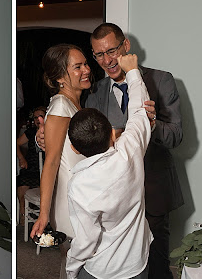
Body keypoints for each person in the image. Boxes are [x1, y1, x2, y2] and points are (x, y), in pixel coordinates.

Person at [37, 23, 182, 278]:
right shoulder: (94, 93)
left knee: (157, 267)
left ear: (125, 46)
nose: (106, 60)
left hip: (154, 193)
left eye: (112, 51)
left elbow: (177, 136)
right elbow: (81, 136)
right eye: (99, 55)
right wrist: (46, 137)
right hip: (106, 203)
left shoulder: (161, 80)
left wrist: (153, 125)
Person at [65, 54, 152, 279]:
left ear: (75, 149)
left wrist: (71, 269)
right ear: (113, 134)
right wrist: (132, 70)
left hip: (101, 270)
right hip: (137, 263)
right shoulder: (129, 150)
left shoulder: (79, 185)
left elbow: (86, 240)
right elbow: (139, 112)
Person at [29, 44, 91, 279]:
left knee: (77, 264)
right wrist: (44, 214)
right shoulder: (60, 106)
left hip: (84, 195)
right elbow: (51, 162)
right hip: (70, 200)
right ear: (59, 78)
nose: (86, 70)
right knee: (78, 262)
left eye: (85, 64)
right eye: (77, 67)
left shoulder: (76, 103)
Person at [16, 106, 46, 225]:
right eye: (35, 117)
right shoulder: (31, 132)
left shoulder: (53, 131)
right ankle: (23, 215)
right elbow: (15, 143)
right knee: (23, 185)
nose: (38, 119)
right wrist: (21, 158)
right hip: (32, 166)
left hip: (46, 168)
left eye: (41, 116)